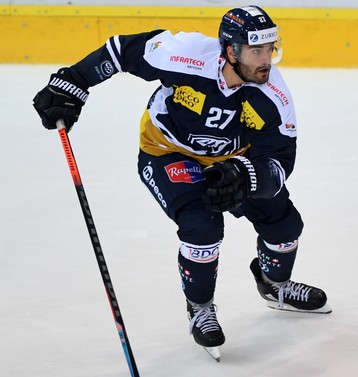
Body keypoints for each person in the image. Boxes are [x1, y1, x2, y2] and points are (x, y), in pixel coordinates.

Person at [32, 5, 331, 359]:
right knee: (201, 227)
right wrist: (75, 81)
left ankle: (275, 285)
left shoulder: (272, 97)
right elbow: (121, 51)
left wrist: (249, 176)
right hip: (168, 152)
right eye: (256, 50)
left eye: (271, 48)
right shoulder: (185, 54)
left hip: (233, 161)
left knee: (285, 224)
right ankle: (200, 308)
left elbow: (280, 160)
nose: (267, 60)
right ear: (230, 50)